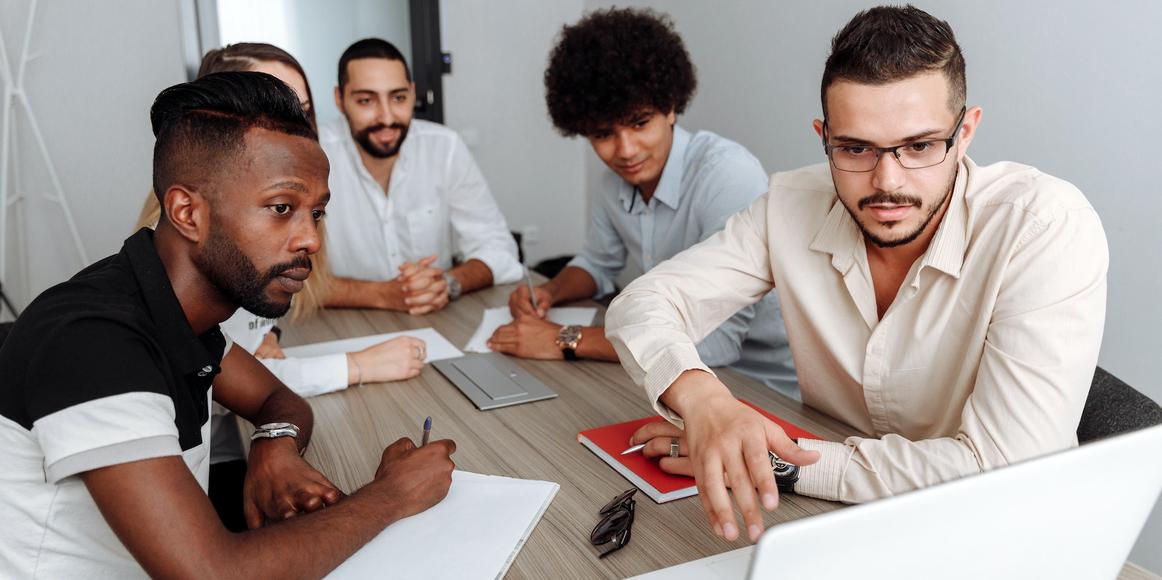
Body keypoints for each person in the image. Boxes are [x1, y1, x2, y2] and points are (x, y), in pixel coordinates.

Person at [606, 5, 1107, 544]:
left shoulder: (1044, 228)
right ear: (824, 137)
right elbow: (642, 303)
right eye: (855, 148)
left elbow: (1004, 471)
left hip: (1001, 536)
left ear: (965, 133)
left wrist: (779, 461)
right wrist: (704, 400)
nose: (887, 181)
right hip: (835, 529)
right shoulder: (789, 205)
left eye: (919, 145)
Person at [0, 72, 456, 577]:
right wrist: (391, 496)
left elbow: (278, 400)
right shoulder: (94, 341)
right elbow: (214, 574)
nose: (311, 240)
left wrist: (274, 445)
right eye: (282, 208)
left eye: (317, 214)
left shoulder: (182, 313)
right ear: (187, 212)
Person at [133, 42, 429, 531]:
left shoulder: (212, 298)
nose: (310, 238)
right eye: (271, 108)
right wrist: (390, 495)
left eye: (300, 112)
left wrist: (274, 429)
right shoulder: (134, 326)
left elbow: (261, 383)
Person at [489, 7, 796, 398]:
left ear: (670, 107)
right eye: (603, 134)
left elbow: (717, 344)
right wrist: (552, 291)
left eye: (639, 123)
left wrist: (563, 339)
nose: (626, 151)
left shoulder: (727, 175)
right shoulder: (613, 182)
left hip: (759, 386)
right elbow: (598, 264)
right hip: (669, 373)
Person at [320, 38, 522, 314]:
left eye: (399, 97)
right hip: (337, 326)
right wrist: (381, 294)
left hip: (434, 319)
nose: (387, 117)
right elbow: (283, 279)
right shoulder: (313, 153)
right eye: (366, 100)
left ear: (413, 94)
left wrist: (447, 283)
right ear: (339, 99)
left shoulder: (444, 146)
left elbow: (499, 249)